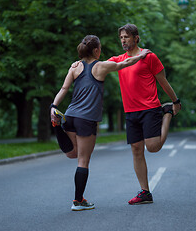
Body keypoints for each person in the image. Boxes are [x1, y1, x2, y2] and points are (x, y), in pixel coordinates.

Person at [50, 35, 150, 211]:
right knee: (83, 160)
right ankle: (78, 201)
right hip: (86, 119)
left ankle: (58, 127)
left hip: (71, 115)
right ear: (96, 50)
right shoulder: (101, 66)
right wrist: (142, 55)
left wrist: (53, 106)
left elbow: (64, 89)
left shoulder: (75, 67)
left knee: (72, 154)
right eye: (100, 48)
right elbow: (123, 64)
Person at [107, 24, 181, 205]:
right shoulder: (119, 60)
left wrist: (175, 101)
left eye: (126, 37)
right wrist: (81, 63)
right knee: (136, 150)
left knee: (153, 147)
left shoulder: (150, 57)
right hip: (130, 112)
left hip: (149, 108)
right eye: (121, 38)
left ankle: (167, 113)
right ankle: (145, 192)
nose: (123, 40)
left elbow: (163, 81)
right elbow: (98, 66)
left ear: (136, 38)